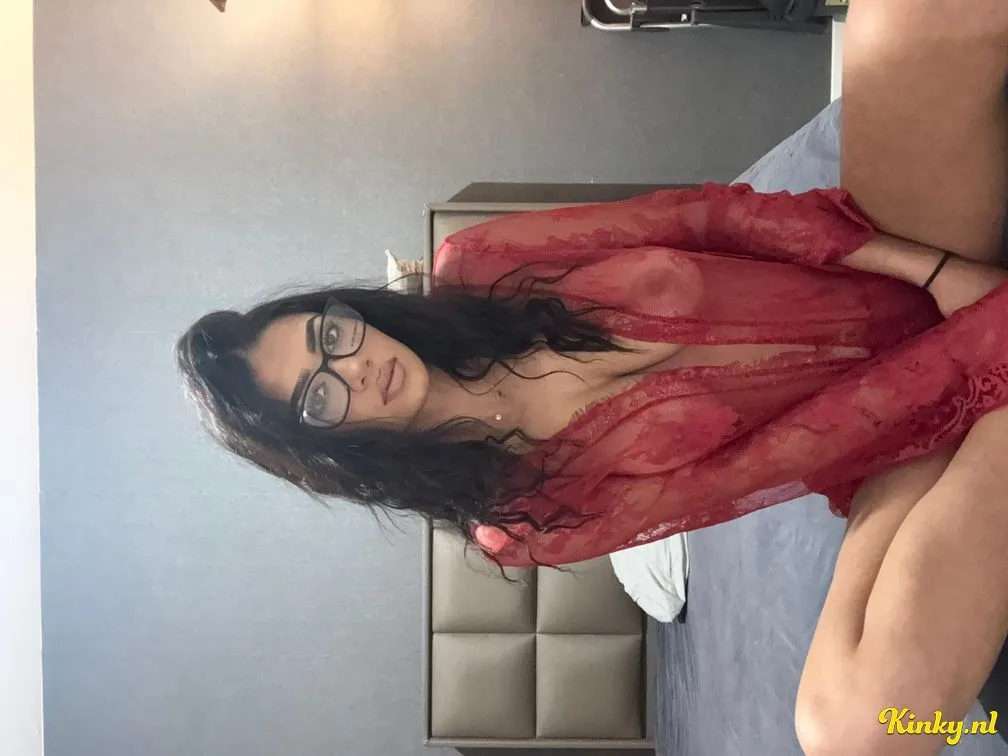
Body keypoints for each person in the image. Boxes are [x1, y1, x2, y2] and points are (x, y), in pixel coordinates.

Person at [176, 2, 1008, 754]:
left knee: (907, 14)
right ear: (335, 452)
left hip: (892, 264)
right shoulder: (517, 518)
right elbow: (759, 467)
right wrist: (963, 360)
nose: (355, 366)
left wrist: (934, 273)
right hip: (890, 434)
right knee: (852, 730)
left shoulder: (484, 262)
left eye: (328, 336)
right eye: (321, 397)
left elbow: (716, 217)